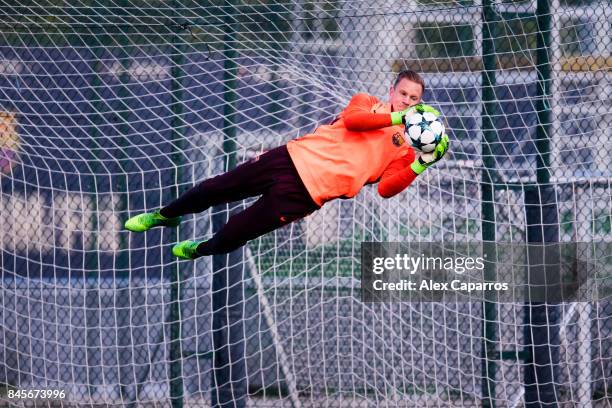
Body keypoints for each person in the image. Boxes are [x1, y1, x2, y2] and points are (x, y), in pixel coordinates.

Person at [125, 70, 449, 259]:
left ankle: (202, 249)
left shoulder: (404, 151)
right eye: (403, 94)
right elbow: (353, 122)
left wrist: (424, 162)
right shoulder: (368, 103)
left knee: (237, 231)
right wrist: (395, 116)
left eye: (413, 99)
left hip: (306, 195)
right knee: (216, 188)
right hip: (288, 159)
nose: (406, 101)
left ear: (420, 104)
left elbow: (386, 190)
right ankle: (164, 215)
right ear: (392, 91)